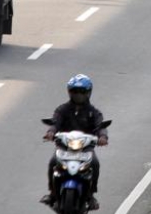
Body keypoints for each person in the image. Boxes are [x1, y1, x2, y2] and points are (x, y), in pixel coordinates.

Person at [41, 74, 108, 211]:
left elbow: (101, 126)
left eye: (81, 92)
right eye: (74, 92)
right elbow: (55, 122)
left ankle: (90, 195)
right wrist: (51, 132)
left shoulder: (93, 112)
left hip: (85, 148)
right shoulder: (62, 109)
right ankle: (52, 194)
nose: (78, 95)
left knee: (95, 163)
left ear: (88, 93)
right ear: (69, 92)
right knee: (53, 162)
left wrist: (102, 137)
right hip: (64, 146)